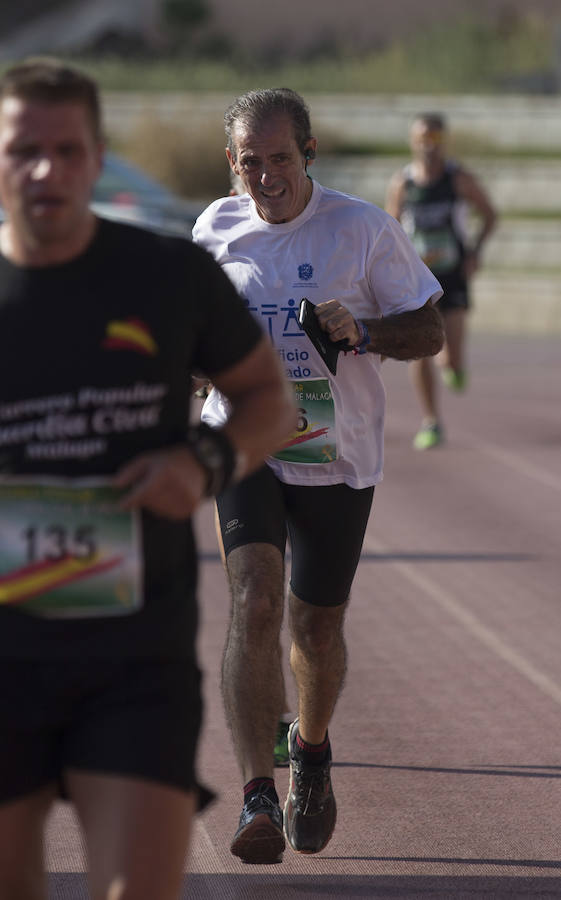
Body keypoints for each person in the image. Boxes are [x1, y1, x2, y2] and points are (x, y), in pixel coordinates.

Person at [0, 60, 296, 900]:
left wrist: (203, 461)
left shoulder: (168, 276)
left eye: (67, 150)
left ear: (98, 158)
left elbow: (268, 402)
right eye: (23, 150)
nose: (45, 170)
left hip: (131, 654)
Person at [192, 87, 444, 865]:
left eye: (278, 159)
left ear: (307, 154)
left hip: (336, 456)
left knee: (315, 628)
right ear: (231, 165)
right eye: (248, 162)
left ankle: (311, 747)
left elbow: (429, 328)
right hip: (242, 444)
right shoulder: (212, 228)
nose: (264, 176)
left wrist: (362, 329)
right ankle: (255, 795)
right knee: (255, 599)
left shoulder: (362, 230)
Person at [385, 112, 497, 449]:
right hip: (417, 279)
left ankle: (454, 366)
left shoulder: (458, 179)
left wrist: (475, 251)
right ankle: (431, 421)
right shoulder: (402, 184)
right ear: (412, 142)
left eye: (434, 139)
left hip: (453, 275)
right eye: (422, 139)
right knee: (419, 347)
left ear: (443, 141)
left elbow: (489, 215)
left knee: (450, 358)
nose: (428, 146)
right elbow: (389, 231)